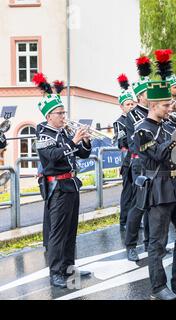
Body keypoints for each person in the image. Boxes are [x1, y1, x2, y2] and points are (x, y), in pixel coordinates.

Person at [134, 53, 176, 300]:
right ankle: (158, 288)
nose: (170, 108)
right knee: (158, 242)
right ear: (153, 106)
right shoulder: (142, 130)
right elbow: (159, 156)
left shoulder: (166, 124)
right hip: (158, 186)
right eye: (166, 105)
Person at [33, 73, 92, 288]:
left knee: (71, 229)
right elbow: (54, 156)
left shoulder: (63, 132)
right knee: (57, 233)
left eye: (63, 112)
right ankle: (55, 272)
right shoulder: (42, 134)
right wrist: (73, 140)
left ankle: (69, 267)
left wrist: (84, 141)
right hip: (57, 187)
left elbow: (82, 154)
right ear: (49, 116)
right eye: (59, 113)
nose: (63, 116)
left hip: (71, 185)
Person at [124, 55, 152, 261]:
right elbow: (137, 140)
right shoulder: (133, 115)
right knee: (139, 204)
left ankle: (150, 243)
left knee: (153, 204)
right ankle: (131, 245)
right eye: (149, 93)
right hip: (139, 162)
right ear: (141, 96)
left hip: (154, 161)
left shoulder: (155, 111)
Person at [114, 74, 136, 231]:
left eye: (132, 103)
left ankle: (134, 219)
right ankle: (124, 221)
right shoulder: (119, 122)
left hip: (136, 158)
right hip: (127, 160)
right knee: (127, 192)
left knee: (136, 191)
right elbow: (122, 142)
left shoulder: (136, 119)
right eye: (127, 104)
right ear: (122, 107)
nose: (131, 106)